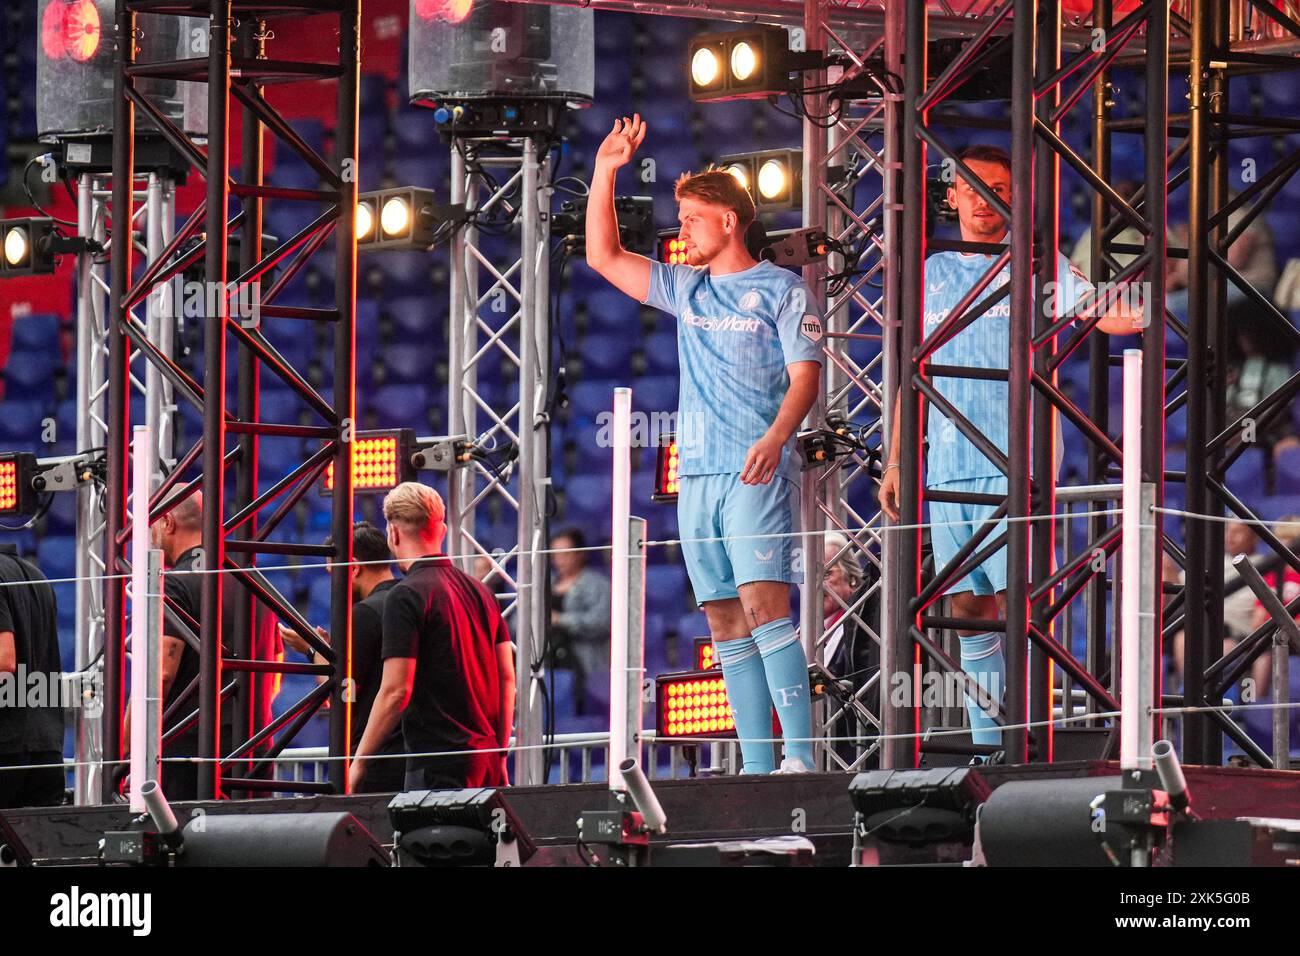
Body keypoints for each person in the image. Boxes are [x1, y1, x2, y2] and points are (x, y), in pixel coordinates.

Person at [877, 144, 1143, 754]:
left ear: (1014, 196)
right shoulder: (931, 271)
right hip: (944, 468)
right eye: (971, 187)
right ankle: (989, 749)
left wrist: (1152, 304)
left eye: (995, 187)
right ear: (952, 195)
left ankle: (1031, 747)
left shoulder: (1036, 264)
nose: (983, 198)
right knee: (969, 610)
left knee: (1021, 609)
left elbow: (1107, 315)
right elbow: (911, 376)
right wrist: (896, 459)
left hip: (1012, 463)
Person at [585, 114, 824, 774]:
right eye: (681, 216)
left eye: (692, 216)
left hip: (756, 469)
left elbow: (807, 376)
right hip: (697, 477)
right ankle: (755, 765)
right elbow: (602, 257)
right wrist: (605, 170)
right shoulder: (684, 287)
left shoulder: (780, 288)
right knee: (723, 623)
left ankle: (799, 760)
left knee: (765, 610)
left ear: (729, 221)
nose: (681, 228)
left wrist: (778, 438)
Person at [350, 482, 516, 792]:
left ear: (394, 535)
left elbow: (396, 690)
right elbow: (507, 679)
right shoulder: (483, 592)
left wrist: (359, 762)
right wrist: (500, 754)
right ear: (440, 530)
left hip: (435, 767)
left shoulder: (405, 595)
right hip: (485, 761)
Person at [139, 491, 280, 800]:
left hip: (188, 754)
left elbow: (160, 674)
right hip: (254, 751)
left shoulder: (174, 583)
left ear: (168, 522)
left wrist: (130, 741)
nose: (151, 537)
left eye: (153, 527)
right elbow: (276, 675)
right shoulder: (254, 582)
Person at [279, 521, 406, 793]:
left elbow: (335, 693)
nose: (331, 582)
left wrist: (312, 649)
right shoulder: (412, 600)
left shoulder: (363, 615)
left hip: (376, 765)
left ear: (354, 567)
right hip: (413, 758)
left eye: (332, 573)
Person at [0, 545, 65, 809]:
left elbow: (4, 661)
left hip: (6, 746)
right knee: (37, 850)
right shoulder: (37, 575)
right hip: (47, 748)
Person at [821, 533, 880, 769]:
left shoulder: (864, 630)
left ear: (852, 580)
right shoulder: (800, 632)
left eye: (827, 573)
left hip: (852, 761)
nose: (817, 583)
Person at [547, 527, 611, 715]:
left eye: (565, 554)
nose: (559, 560)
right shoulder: (545, 583)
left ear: (580, 554)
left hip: (585, 662)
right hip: (550, 662)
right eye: (555, 554)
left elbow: (602, 621)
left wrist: (561, 620)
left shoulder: (597, 584)